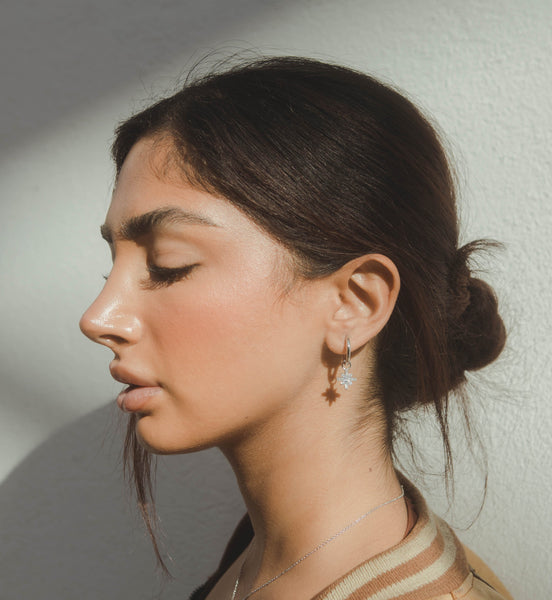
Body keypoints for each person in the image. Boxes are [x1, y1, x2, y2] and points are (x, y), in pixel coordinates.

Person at [79, 56, 512, 600]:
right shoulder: (253, 557)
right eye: (110, 266)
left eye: (168, 265)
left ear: (355, 302)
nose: (98, 318)